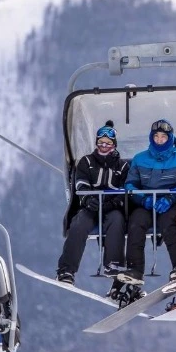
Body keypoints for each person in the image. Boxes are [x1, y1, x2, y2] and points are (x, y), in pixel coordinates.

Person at [119, 119, 176, 287]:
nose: (159, 140)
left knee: (168, 223)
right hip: (146, 203)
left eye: (163, 137)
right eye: (156, 136)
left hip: (169, 203)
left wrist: (170, 198)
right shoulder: (140, 159)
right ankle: (135, 269)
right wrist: (143, 199)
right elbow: (130, 184)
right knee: (136, 223)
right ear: (151, 138)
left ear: (170, 138)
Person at [57, 120, 129, 286]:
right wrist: (88, 200)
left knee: (117, 221)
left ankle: (114, 265)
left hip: (111, 208)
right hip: (90, 206)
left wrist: (112, 204)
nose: (104, 146)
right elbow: (81, 183)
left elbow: (125, 189)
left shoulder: (122, 166)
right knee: (79, 224)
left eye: (108, 143)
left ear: (114, 145)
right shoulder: (87, 162)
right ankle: (66, 270)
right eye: (101, 142)